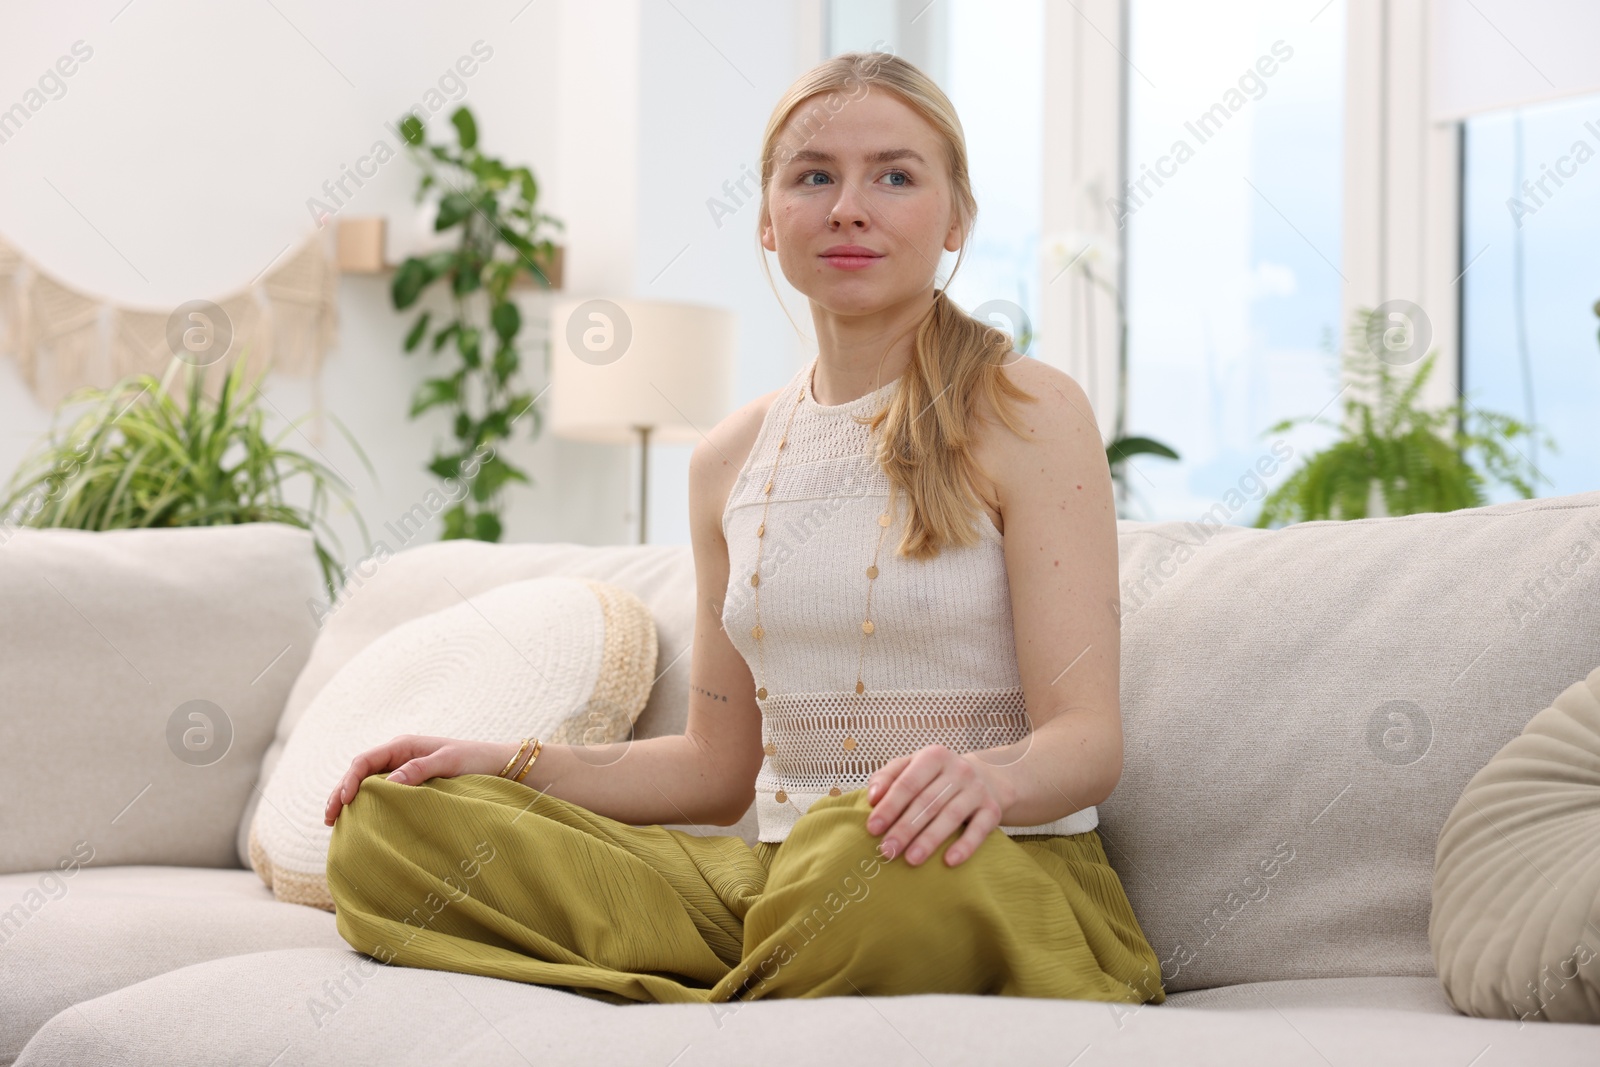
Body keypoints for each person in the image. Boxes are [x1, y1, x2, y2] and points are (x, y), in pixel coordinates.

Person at [323, 48, 1166, 1008]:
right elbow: (715, 769)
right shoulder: (730, 458)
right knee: (392, 824)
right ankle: (772, 974)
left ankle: (733, 994)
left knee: (863, 847)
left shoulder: (1027, 410)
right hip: (779, 881)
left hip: (976, 868)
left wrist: (991, 781)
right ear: (768, 220)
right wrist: (507, 760)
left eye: (895, 175)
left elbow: (1088, 737)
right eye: (814, 176)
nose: (850, 206)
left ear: (956, 217)